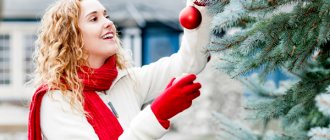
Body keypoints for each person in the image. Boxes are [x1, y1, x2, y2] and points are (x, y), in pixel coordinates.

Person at [28, 0, 211, 139]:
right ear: (71, 37)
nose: (108, 23)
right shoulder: (55, 100)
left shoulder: (127, 81)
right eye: (94, 19)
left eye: (106, 16)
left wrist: (198, 6)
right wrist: (156, 115)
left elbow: (190, 62)